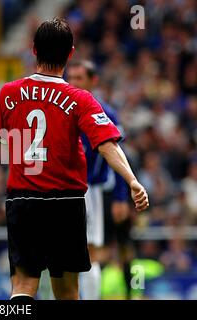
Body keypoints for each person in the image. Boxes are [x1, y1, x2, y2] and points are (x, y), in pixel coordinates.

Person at [0, 18, 149, 300]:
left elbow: (4, 139)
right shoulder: (80, 98)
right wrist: (132, 181)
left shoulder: (8, 93)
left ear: (33, 49)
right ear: (70, 53)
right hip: (65, 203)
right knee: (67, 291)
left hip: (22, 200)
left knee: (23, 287)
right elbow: (106, 145)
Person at [67, 59, 130, 300]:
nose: (73, 83)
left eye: (79, 78)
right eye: (70, 78)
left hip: (89, 190)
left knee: (90, 253)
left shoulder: (105, 113)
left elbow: (117, 156)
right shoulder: (59, 110)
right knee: (55, 254)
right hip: (57, 189)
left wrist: (120, 196)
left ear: (93, 81)